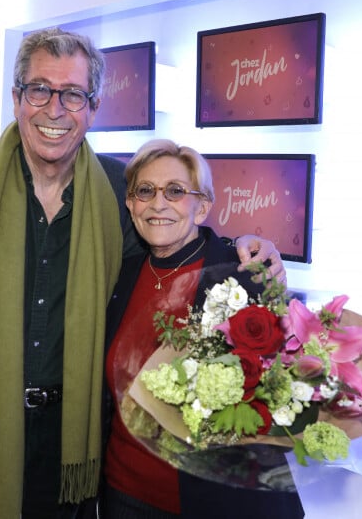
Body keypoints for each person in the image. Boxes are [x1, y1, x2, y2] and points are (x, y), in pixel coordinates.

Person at [0, 28, 286, 519]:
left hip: (70, 445)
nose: (55, 109)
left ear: (93, 107)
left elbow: (180, 235)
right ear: (17, 98)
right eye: (40, 90)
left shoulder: (122, 190)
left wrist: (246, 246)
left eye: (72, 94)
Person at [102, 139, 295, 519]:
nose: (158, 203)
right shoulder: (120, 274)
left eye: (175, 191)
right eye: (145, 191)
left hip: (216, 503)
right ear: (130, 204)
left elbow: (283, 398)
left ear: (202, 207)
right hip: (122, 493)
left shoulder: (245, 277)